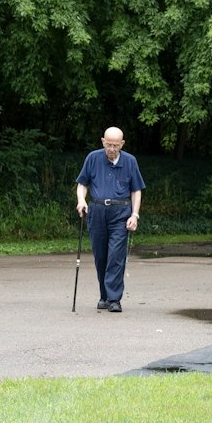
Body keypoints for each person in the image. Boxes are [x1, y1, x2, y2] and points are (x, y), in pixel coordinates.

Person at [75, 127, 145, 313]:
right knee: (101, 256)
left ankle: (114, 299)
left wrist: (134, 215)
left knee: (116, 255)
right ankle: (104, 296)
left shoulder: (130, 161)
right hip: (97, 211)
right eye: (108, 144)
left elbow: (136, 190)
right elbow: (82, 184)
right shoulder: (93, 158)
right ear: (102, 141)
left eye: (115, 145)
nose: (111, 149)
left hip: (120, 212)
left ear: (122, 144)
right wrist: (81, 200)